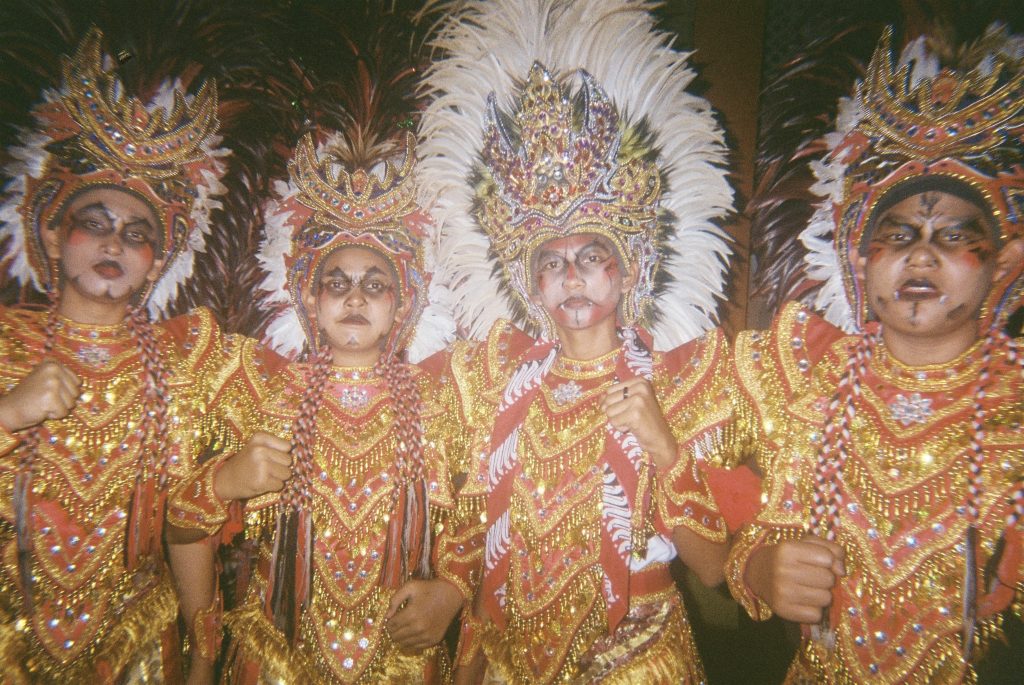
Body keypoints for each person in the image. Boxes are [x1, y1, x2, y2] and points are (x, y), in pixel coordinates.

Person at [417, 1, 738, 681]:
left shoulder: (682, 375)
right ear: (531, 284)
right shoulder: (493, 382)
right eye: (551, 262)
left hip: (633, 660)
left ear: (629, 269)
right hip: (507, 654)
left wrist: (664, 445)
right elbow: (472, 522)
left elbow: (714, 569)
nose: (572, 276)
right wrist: (450, 588)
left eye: (591, 255)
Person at [722, 26, 1024, 683]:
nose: (921, 255)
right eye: (898, 234)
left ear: (1005, 260)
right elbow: (734, 510)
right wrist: (759, 568)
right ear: (860, 257)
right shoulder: (808, 376)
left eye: (952, 235)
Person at [0, 29, 242, 683]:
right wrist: (8, 413)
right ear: (52, 232)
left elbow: (183, 526)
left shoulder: (187, 358)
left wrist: (200, 652)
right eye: (95, 223)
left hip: (136, 650)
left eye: (136, 234)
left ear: (156, 261)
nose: (114, 243)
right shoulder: (3, 342)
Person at [203, 130, 464, 684]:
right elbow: (178, 517)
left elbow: (487, 514)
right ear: (309, 298)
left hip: (403, 660)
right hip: (277, 659)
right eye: (336, 283)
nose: (354, 298)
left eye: (375, 284)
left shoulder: (444, 397)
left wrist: (453, 590)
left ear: (403, 304)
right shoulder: (261, 389)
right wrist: (225, 480)